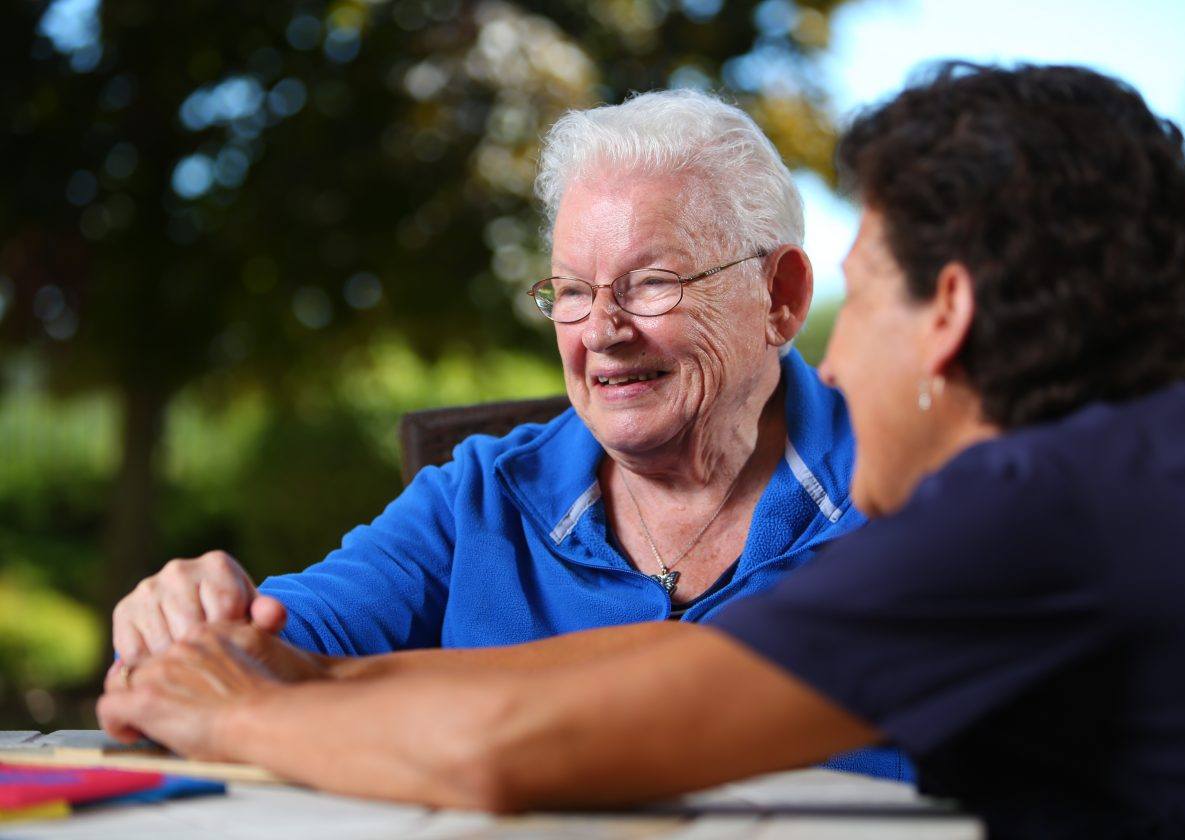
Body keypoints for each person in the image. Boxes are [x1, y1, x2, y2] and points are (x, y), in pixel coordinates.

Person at [100, 62, 1185, 837]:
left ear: (946, 312)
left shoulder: (1037, 513)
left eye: (861, 298)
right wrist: (307, 671)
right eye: (570, 290)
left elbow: (523, 747)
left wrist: (241, 718)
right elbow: (668, 664)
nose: (838, 361)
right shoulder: (1152, 461)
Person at [107, 89, 909, 780]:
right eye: (569, 291)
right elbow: (271, 648)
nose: (601, 330)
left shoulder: (909, 488)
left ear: (782, 295)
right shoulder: (482, 494)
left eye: (652, 283)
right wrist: (191, 626)